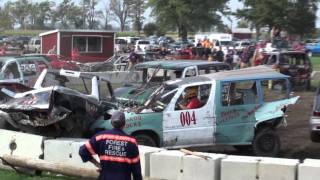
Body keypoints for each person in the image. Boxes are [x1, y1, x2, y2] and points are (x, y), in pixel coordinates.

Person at [79, 111, 142, 180]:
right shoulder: (131, 141)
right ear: (124, 124)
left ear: (111, 123)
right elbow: (136, 170)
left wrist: (98, 164)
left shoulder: (101, 137)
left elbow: (83, 151)